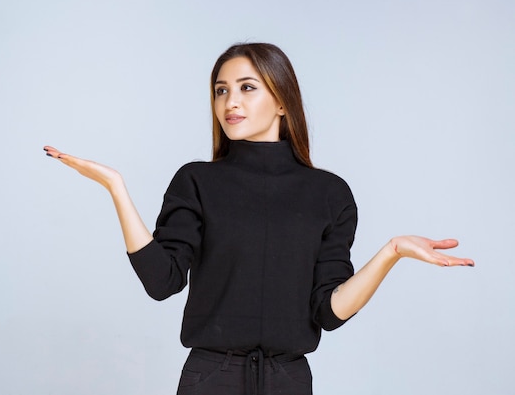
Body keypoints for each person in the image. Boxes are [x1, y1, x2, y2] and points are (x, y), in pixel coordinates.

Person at [43, 43, 474, 395]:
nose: (231, 102)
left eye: (247, 87)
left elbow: (328, 311)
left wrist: (391, 253)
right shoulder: (196, 181)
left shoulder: (330, 193)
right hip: (210, 379)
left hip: (289, 381)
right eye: (221, 90)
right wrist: (116, 187)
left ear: (283, 101)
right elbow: (162, 282)